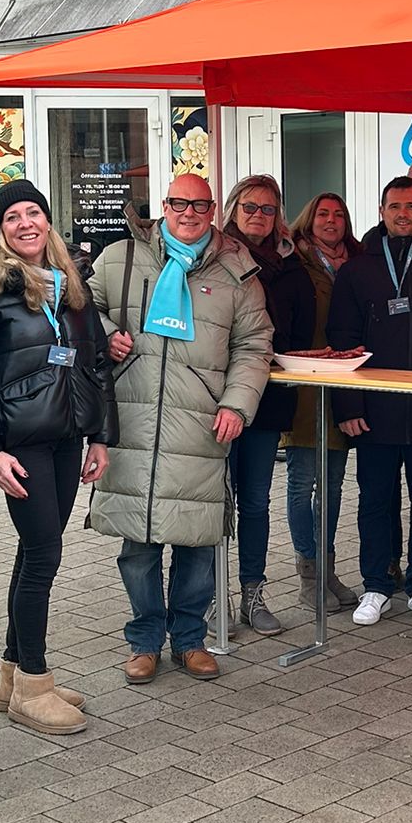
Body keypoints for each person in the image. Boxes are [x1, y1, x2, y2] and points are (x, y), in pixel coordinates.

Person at [90, 174, 273, 682]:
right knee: (139, 541)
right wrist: (106, 335)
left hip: (202, 423)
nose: (188, 212)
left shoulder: (238, 272)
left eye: (199, 204)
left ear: (213, 210)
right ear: (164, 206)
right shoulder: (120, 258)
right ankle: (145, 641)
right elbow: (79, 311)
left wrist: (237, 405)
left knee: (198, 540)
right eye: (178, 203)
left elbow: (255, 345)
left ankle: (190, 639)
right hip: (135, 418)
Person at [0, 183, 114, 734]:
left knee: (36, 550)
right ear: (0, 229)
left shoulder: (72, 285)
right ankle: (34, 686)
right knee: (43, 554)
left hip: (68, 437)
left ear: (48, 221)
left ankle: (13, 676)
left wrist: (100, 437)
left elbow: (95, 365)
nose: (25, 223)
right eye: (12, 216)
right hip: (20, 444)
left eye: (34, 213)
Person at [327, 176, 412, 626]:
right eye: (394, 206)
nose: (403, 214)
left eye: (411, 206)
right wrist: (348, 406)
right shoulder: (357, 270)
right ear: (381, 211)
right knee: (375, 500)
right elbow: (341, 340)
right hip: (374, 408)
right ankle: (376, 585)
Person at [220, 173, 316, 635]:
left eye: (268, 209)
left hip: (268, 397)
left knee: (255, 500)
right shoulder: (214, 255)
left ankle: (252, 594)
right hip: (216, 398)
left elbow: (300, 329)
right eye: (250, 207)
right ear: (233, 210)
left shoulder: (290, 263)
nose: (258, 215)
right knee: (214, 500)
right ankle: (211, 594)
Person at [284, 192, 359, 611]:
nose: (331, 221)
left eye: (338, 214)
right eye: (323, 214)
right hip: (304, 386)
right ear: (309, 219)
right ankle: (308, 576)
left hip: (343, 386)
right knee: (302, 483)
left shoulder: (357, 261)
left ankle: (327, 571)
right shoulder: (295, 260)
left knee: (332, 485)